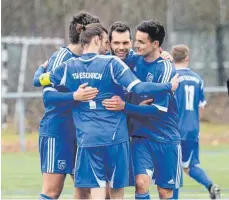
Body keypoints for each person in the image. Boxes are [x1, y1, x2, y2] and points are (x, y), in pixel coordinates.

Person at [38, 23, 179, 199]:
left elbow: (41, 82)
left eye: (127, 43)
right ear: (102, 41)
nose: (121, 47)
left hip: (89, 138)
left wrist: (40, 71)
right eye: (112, 43)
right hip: (114, 138)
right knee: (113, 193)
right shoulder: (112, 63)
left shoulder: (71, 65)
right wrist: (168, 86)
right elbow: (140, 88)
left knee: (94, 192)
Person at [102, 19, 182, 199]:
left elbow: (157, 110)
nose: (135, 45)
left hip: (166, 137)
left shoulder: (166, 69)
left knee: (165, 191)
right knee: (141, 184)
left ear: (155, 44)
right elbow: (112, 53)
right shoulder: (132, 59)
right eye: (135, 40)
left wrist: (125, 107)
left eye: (141, 42)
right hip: (141, 137)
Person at [33, 12, 100, 200]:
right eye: (97, 35)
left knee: (86, 191)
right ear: (83, 33)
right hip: (59, 131)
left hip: (81, 133)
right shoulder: (62, 57)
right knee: (52, 191)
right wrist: (75, 96)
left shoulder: (89, 59)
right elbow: (48, 97)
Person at [172, 44, 221, 199]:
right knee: (189, 166)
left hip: (173, 129)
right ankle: (211, 186)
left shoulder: (170, 78)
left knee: (173, 167)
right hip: (192, 129)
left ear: (172, 59)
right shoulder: (197, 79)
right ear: (187, 59)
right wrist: (193, 123)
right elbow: (201, 107)